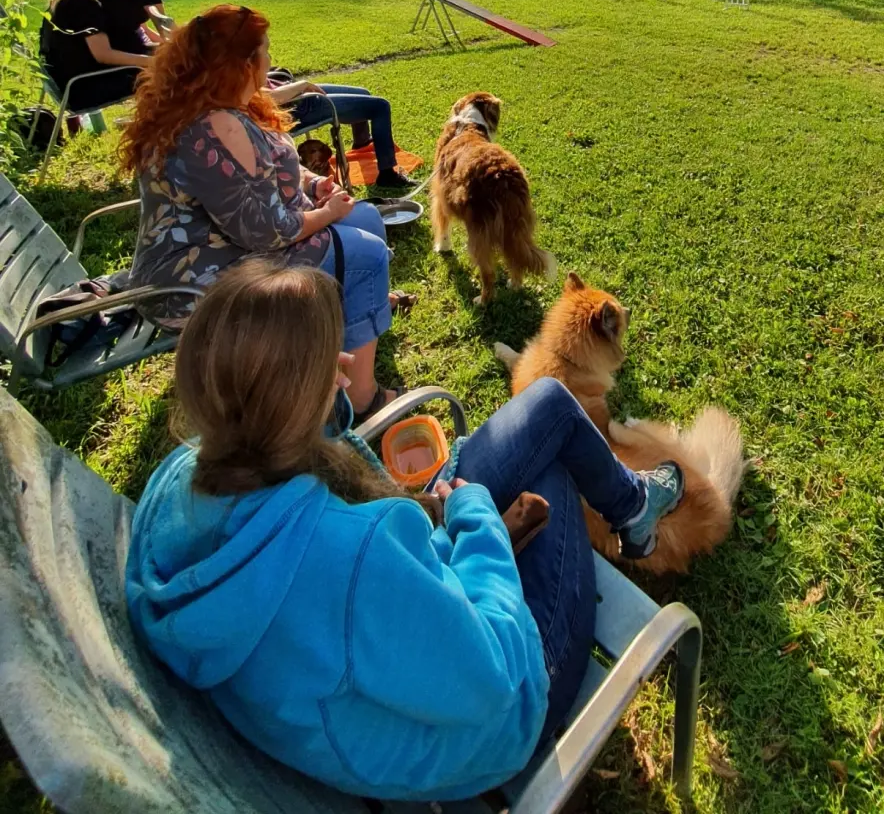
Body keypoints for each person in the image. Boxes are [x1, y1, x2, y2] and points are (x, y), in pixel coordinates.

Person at [125, 262, 686, 804]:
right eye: (328, 361)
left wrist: (324, 410)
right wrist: (475, 519)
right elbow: (492, 672)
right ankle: (634, 508)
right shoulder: (352, 557)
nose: (345, 363)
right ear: (290, 401)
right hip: (500, 712)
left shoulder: (183, 475)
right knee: (556, 461)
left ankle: (632, 504)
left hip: (391, 641)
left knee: (549, 406)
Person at [119, 4, 411, 417]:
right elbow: (267, 234)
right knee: (365, 254)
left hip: (223, 246)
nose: (270, 59)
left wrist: (313, 185)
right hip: (196, 281)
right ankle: (360, 397)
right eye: (265, 51)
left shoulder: (214, 105)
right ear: (243, 64)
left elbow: (262, 177)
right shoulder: (216, 125)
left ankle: (353, 319)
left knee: (365, 217)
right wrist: (324, 214)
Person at [39, 0, 153, 111]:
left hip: (66, 85)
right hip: (86, 89)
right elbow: (104, 55)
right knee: (168, 73)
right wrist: (150, 61)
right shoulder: (84, 6)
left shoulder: (59, 3)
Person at [271, 78, 415, 192]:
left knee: (364, 93)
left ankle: (362, 143)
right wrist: (302, 85)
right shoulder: (248, 71)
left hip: (293, 92)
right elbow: (269, 97)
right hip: (298, 106)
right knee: (381, 106)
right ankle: (387, 175)